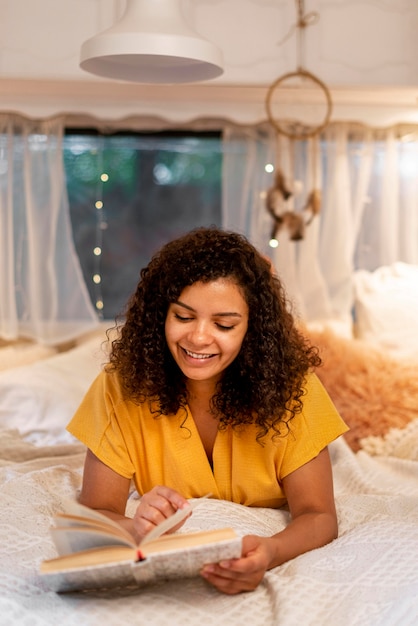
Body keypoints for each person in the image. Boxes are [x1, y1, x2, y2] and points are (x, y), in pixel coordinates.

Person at [67, 226, 348, 595]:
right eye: (183, 317)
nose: (198, 338)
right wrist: (134, 526)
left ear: (253, 329)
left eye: (224, 324)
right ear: (160, 316)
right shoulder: (120, 386)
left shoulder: (293, 389)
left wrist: (272, 550)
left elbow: (319, 516)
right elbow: (98, 512)